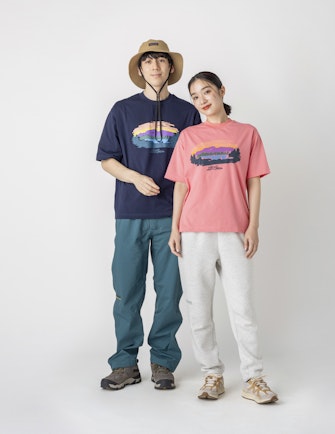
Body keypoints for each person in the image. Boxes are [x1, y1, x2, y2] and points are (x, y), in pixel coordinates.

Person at [165, 71, 278, 404]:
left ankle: (253, 378)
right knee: (198, 308)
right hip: (194, 231)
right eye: (195, 96)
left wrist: (253, 226)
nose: (202, 100)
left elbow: (254, 181)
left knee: (242, 308)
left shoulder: (247, 133)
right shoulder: (188, 136)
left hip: (234, 230)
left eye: (206, 91)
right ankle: (211, 374)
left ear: (221, 91)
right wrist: (174, 228)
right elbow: (181, 185)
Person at [96, 39, 201, 391]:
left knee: (169, 292)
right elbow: (107, 158)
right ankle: (125, 364)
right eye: (149, 61)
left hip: (174, 216)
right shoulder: (122, 110)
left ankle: (162, 362)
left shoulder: (187, 113)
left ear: (171, 68)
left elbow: (195, 166)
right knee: (127, 290)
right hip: (130, 213)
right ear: (140, 69)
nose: (155, 66)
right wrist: (135, 178)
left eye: (162, 61)